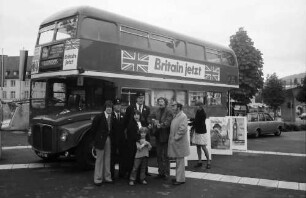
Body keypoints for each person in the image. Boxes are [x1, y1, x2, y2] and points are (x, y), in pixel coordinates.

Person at [92, 100, 114, 186]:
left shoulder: (112, 117)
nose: (109, 109)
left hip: (108, 139)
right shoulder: (99, 117)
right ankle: (97, 179)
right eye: (108, 107)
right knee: (99, 159)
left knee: (108, 159)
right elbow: (93, 129)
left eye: (111, 107)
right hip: (100, 140)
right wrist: (94, 141)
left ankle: (107, 177)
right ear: (105, 108)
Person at [168, 101, 190, 185]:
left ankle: (180, 180)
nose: (172, 108)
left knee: (180, 162)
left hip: (179, 143)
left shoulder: (182, 116)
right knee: (178, 161)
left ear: (179, 107)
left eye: (174, 106)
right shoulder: (177, 115)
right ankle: (178, 178)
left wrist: (175, 138)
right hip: (177, 143)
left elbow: (183, 129)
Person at [151, 97, 173, 180]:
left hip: (166, 136)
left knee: (166, 156)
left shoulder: (169, 111)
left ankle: (167, 173)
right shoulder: (156, 111)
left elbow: (168, 121)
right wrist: (153, 121)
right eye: (159, 101)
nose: (160, 103)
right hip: (158, 136)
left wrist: (161, 125)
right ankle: (160, 172)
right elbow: (150, 117)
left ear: (165, 103)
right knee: (158, 155)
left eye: (162, 101)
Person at [190, 101, 211, 169]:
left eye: (197, 106)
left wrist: (192, 124)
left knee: (203, 147)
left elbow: (198, 122)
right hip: (197, 131)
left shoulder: (203, 113)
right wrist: (193, 120)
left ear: (200, 106)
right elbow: (196, 120)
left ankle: (208, 161)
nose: (196, 107)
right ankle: (199, 161)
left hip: (202, 132)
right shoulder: (198, 111)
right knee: (198, 146)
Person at [110, 98, 126, 179]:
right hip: (113, 139)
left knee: (122, 157)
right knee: (112, 157)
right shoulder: (110, 115)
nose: (118, 106)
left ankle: (122, 173)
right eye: (117, 105)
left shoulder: (124, 115)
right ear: (113, 106)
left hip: (122, 140)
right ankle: (111, 175)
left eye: (120, 105)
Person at [125, 110, 143, 178]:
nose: (136, 116)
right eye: (135, 114)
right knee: (133, 161)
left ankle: (139, 176)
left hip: (140, 145)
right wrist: (139, 139)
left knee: (140, 161)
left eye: (138, 114)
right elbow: (132, 135)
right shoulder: (131, 124)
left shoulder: (141, 123)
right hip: (133, 145)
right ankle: (132, 177)